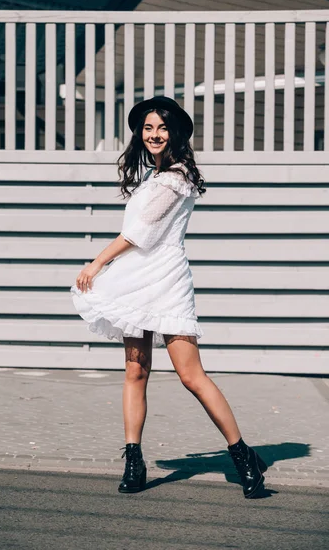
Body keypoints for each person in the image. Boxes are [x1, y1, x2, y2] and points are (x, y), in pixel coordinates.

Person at [70, 95, 267, 499]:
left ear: (174, 132)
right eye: (147, 128)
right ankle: (133, 460)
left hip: (166, 281)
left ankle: (243, 457)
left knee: (191, 376)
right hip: (135, 281)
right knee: (135, 372)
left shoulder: (175, 178)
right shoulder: (152, 176)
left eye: (161, 127)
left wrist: (96, 264)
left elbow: (140, 233)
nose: (154, 135)